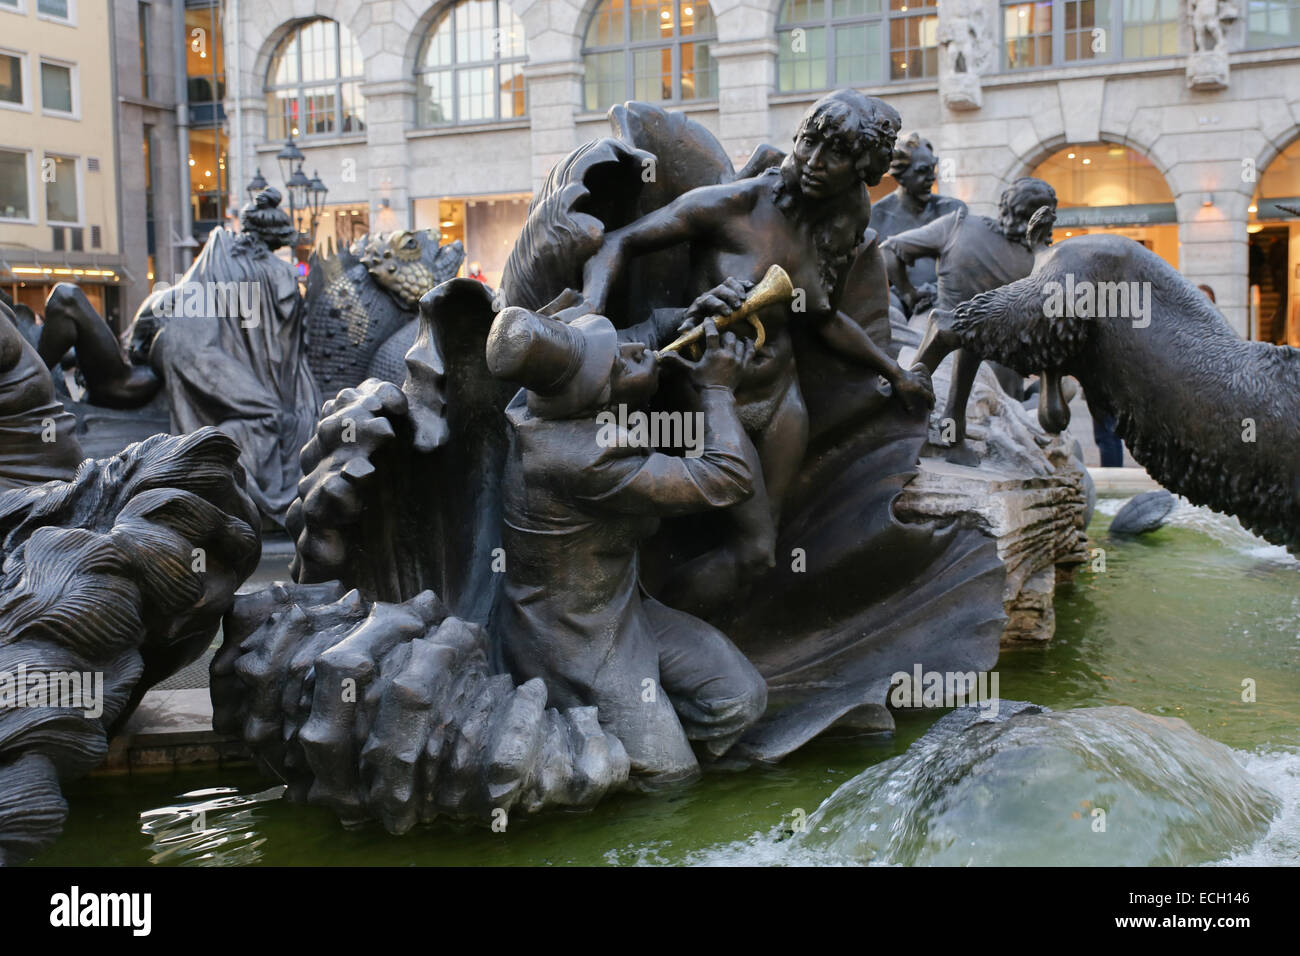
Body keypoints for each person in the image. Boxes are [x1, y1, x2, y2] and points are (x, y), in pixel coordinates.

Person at [573, 89, 934, 614]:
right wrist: (590, 316)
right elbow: (616, 243)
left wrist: (892, 370)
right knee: (755, 548)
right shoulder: (737, 203)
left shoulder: (835, 224)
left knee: (760, 552)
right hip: (709, 391)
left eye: (835, 154)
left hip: (782, 398)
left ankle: (680, 637)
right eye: (809, 141)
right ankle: (653, 635)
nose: (813, 162)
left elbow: (824, 317)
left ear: (859, 171)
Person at [487, 297, 768, 787]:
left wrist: (689, 314)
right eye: (614, 364)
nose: (634, 351)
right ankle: (621, 760)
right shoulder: (583, 459)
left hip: (625, 611)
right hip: (575, 643)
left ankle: (646, 726)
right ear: (595, 398)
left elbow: (636, 340)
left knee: (739, 699)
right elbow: (729, 479)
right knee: (671, 778)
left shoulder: (537, 389)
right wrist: (717, 390)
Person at [884, 176, 1057, 464]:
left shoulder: (959, 225)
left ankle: (930, 431)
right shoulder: (1041, 262)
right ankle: (954, 438)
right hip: (1000, 373)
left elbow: (888, 252)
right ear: (1039, 219)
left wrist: (910, 293)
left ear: (1005, 204)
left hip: (931, 339)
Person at [869, 132, 966, 318]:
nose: (931, 177)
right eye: (922, 171)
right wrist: (907, 293)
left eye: (933, 169)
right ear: (900, 175)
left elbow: (966, 263)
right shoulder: (877, 216)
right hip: (896, 303)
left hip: (946, 300)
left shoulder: (953, 210)